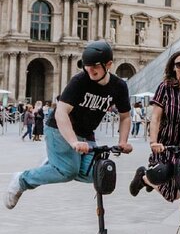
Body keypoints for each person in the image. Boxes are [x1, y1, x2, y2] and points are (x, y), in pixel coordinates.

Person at [4, 40, 133, 209]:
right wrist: (73, 142)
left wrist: (123, 141)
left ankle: (55, 162)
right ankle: (22, 180)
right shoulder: (80, 81)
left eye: (95, 66)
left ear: (108, 64)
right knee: (67, 171)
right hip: (59, 128)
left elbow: (125, 116)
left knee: (96, 173)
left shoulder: (119, 86)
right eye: (87, 65)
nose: (90, 70)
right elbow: (61, 112)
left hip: (86, 133)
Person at [129, 50, 180, 202]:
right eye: (179, 64)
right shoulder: (165, 87)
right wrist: (154, 142)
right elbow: (156, 118)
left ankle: (149, 180)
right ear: (174, 67)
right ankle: (144, 178)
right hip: (166, 142)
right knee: (170, 191)